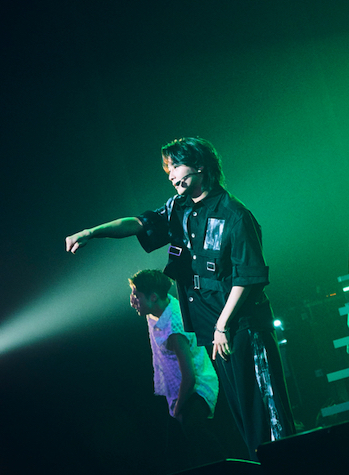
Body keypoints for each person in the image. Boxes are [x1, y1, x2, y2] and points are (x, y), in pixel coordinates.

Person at [66, 137, 295, 459]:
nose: (171, 175)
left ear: (199, 165)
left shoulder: (234, 214)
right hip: (216, 333)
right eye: (168, 169)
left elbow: (249, 277)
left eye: (176, 166)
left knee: (265, 413)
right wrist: (91, 232)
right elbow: (139, 223)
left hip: (244, 328)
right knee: (245, 417)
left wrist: (223, 325)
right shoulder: (179, 208)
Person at [129, 269, 223, 466]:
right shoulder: (160, 307)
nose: (133, 300)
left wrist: (177, 408)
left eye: (136, 295)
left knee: (196, 437)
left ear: (153, 297)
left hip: (196, 388)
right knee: (179, 450)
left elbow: (189, 377)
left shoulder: (174, 327)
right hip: (181, 388)